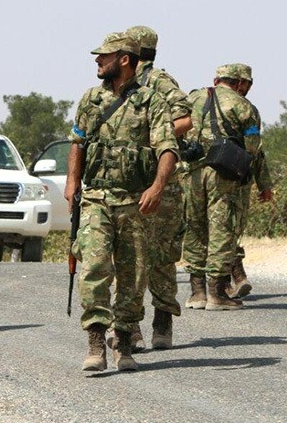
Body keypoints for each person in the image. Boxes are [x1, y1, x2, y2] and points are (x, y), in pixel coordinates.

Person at [65, 32, 178, 371]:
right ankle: (96, 341)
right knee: (95, 269)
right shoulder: (90, 99)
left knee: (134, 275)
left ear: (124, 59)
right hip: (97, 198)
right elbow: (78, 143)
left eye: (104, 56)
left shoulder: (151, 101)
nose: (97, 61)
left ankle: (124, 339)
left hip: (134, 203)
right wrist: (72, 181)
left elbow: (167, 149)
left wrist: (157, 187)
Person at [122, 25, 193, 350]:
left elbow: (187, 119)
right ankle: (129, 326)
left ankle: (162, 322)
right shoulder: (118, 84)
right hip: (127, 185)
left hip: (161, 184)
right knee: (128, 256)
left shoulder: (159, 81)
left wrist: (153, 140)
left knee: (162, 255)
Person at [182, 64, 265, 311]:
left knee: (194, 228)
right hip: (222, 173)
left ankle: (196, 292)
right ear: (239, 83)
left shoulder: (193, 97)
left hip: (191, 172)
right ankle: (217, 293)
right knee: (221, 229)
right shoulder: (243, 106)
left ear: (216, 79)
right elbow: (253, 148)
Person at [227, 63, 273, 298]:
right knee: (230, 228)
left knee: (218, 229)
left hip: (204, 178)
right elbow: (255, 151)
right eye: (245, 83)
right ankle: (232, 279)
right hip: (237, 176)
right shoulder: (247, 110)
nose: (246, 88)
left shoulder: (203, 103)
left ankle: (227, 281)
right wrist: (264, 185)